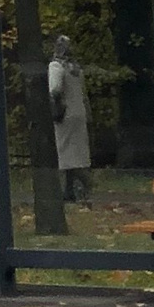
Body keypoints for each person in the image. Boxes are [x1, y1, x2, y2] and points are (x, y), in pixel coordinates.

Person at [48, 31, 92, 201]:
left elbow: (55, 88)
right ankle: (71, 191)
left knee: (66, 154)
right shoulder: (76, 68)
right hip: (79, 113)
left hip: (64, 114)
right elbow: (83, 93)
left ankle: (84, 186)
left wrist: (56, 104)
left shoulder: (56, 66)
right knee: (78, 154)